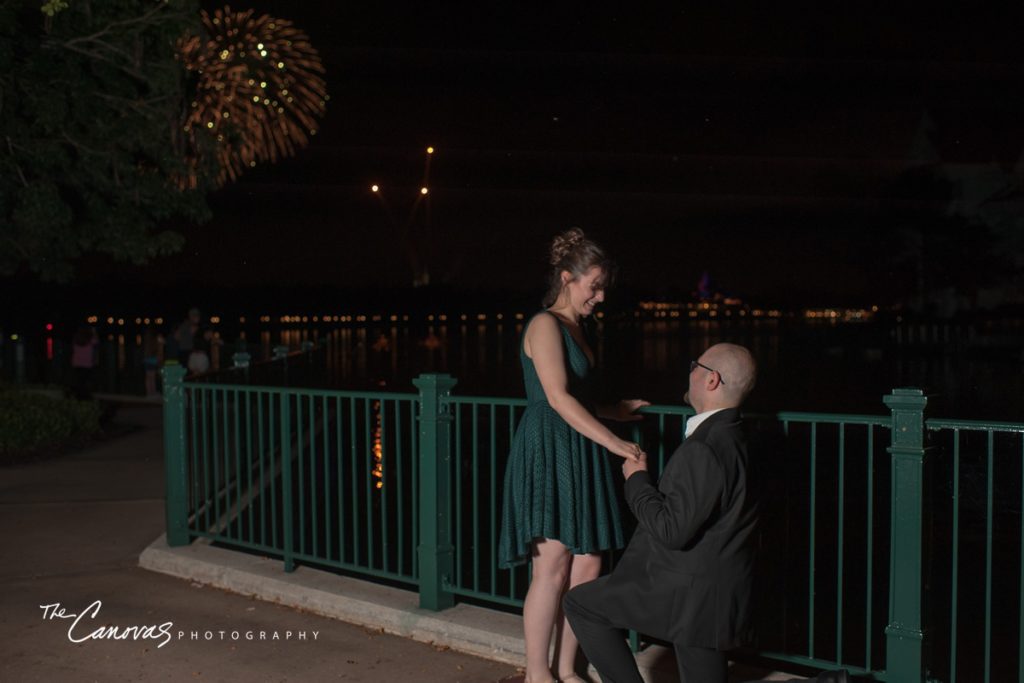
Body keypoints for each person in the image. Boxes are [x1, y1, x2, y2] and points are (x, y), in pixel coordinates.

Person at [563, 343, 849, 683]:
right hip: (719, 590)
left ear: (711, 380)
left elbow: (671, 531)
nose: (689, 372)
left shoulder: (705, 448)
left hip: (685, 592)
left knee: (581, 605)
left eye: (693, 365)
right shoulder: (741, 436)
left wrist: (636, 480)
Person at [498, 228, 650, 683]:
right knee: (554, 564)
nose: (600, 296)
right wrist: (615, 442)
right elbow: (557, 398)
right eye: (594, 286)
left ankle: (566, 668)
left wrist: (615, 412)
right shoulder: (544, 324)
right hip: (549, 446)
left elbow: (578, 399)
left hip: (578, 445)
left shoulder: (577, 327)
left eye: (603, 288)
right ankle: (536, 673)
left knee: (590, 563)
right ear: (567, 278)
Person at [69, 325, 99, 400]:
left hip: (76, 364)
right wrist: (94, 332)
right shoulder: (90, 339)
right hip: (87, 364)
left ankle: (78, 395)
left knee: (79, 381)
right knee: (85, 381)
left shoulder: (76, 339)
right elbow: (97, 341)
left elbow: (72, 349)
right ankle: (84, 396)